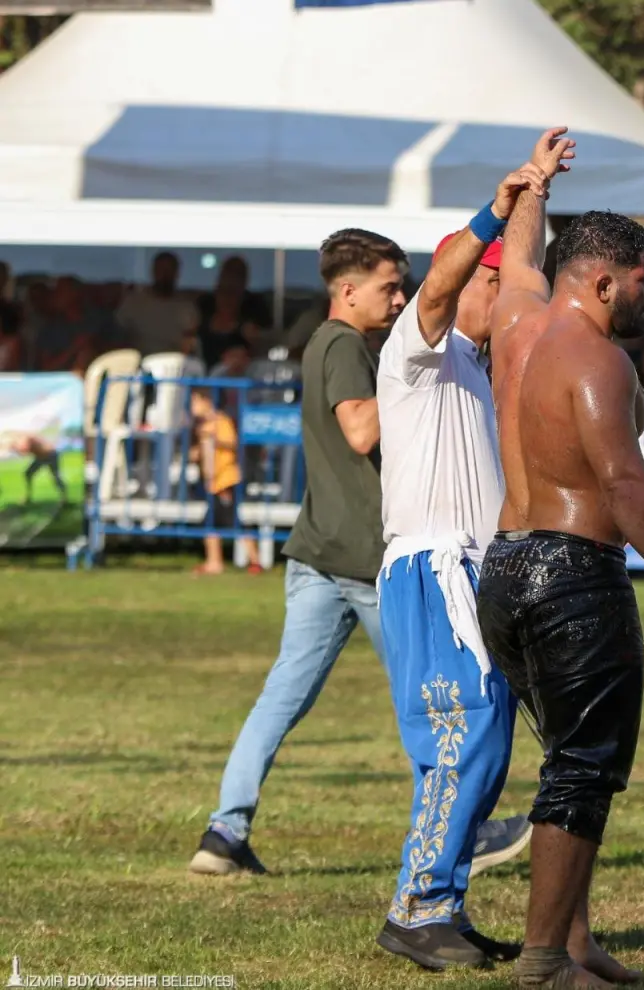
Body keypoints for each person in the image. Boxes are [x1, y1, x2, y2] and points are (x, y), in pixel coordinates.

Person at [189, 229, 530, 880]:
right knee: (439, 700)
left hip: (317, 549)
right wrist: (412, 385)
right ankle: (467, 828)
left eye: (403, 285)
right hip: (361, 559)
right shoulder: (344, 342)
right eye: (388, 286)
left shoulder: (333, 343)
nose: (400, 298)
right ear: (347, 291)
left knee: (283, 698)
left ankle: (225, 830)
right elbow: (359, 428)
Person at [478, 144, 644, 987]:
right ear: (606, 282)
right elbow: (623, 481)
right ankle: (544, 962)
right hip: (574, 573)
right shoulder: (600, 359)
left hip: (502, 570)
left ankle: (572, 941)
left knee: (567, 761)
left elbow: (520, 266)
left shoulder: (516, 324)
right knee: (582, 770)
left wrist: (533, 189)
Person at [372, 138, 569, 972]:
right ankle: (418, 908)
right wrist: (495, 206)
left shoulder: (479, 373)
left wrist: (536, 193)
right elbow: (446, 278)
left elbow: (517, 266)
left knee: (480, 743)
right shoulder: (418, 353)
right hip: (430, 569)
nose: (505, 293)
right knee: (465, 735)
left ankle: (435, 903)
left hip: (467, 573)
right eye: (495, 280)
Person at [188, 388, 262, 576]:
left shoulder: (221, 421)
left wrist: (213, 439)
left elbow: (231, 443)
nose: (192, 407)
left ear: (207, 401)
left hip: (225, 480)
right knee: (211, 523)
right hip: (213, 482)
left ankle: (254, 561)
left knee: (233, 522)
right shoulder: (203, 426)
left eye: (195, 402)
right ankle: (215, 562)